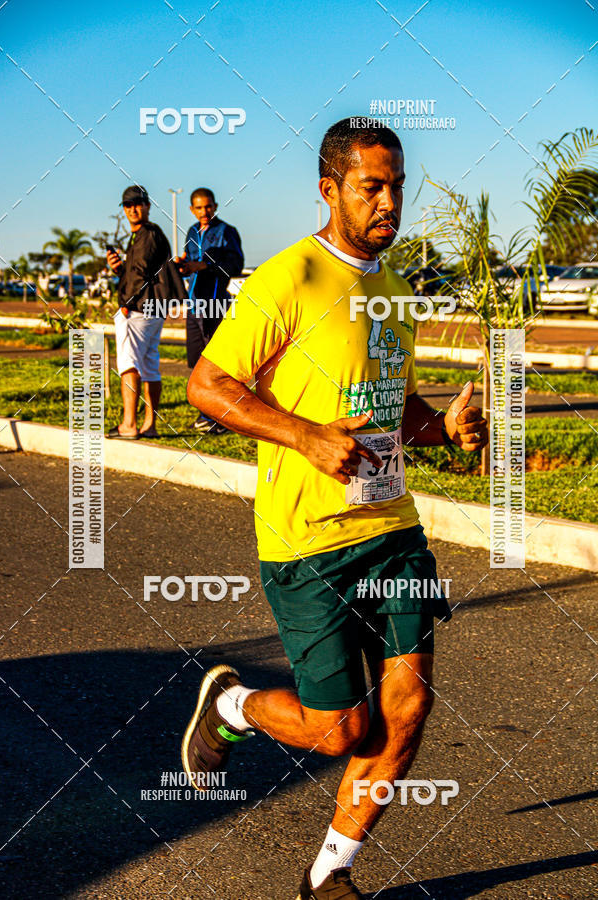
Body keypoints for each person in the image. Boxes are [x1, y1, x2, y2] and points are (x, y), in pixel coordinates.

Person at [182, 119, 488, 899]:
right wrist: (306, 437)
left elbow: (394, 405)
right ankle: (234, 704)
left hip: (392, 533)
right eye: (371, 188)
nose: (389, 203)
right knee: (340, 730)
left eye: (396, 186)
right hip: (306, 540)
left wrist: (441, 428)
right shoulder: (290, 279)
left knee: (407, 709)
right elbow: (208, 386)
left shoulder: (393, 292)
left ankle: (330, 876)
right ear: (330, 190)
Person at [106, 184, 186, 440]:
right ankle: (149, 425)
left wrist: (125, 303)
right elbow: (140, 272)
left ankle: (129, 424)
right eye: (128, 205)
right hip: (153, 308)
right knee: (150, 366)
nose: (133, 209)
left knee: (129, 363)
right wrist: (120, 269)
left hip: (137, 310)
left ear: (148, 206)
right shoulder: (148, 235)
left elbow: (139, 272)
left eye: (138, 203)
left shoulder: (146, 234)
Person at [178, 187, 244, 434]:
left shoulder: (227, 232)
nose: (204, 212)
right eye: (199, 207)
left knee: (216, 364)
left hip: (215, 304)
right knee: (196, 363)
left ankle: (222, 418)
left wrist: (205, 265)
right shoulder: (192, 232)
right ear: (191, 209)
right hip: (194, 304)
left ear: (215, 206)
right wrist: (185, 266)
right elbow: (191, 261)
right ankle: (205, 414)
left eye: (208, 206)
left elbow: (236, 264)